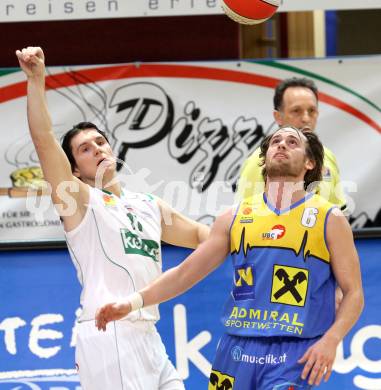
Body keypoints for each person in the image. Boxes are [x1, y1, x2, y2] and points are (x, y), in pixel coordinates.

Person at [95, 126, 364, 389]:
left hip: (294, 351)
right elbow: (185, 273)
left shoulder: (330, 218)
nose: (281, 145)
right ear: (263, 159)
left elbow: (354, 293)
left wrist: (332, 340)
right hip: (237, 350)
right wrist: (132, 303)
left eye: (292, 142)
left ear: (310, 163)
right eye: (275, 142)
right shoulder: (234, 217)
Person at [16, 46, 210, 390]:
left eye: (100, 142)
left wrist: (252, 243)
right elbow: (44, 140)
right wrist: (36, 80)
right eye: (85, 149)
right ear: (75, 168)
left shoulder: (147, 203)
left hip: (147, 333)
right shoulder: (78, 199)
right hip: (109, 334)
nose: (97, 150)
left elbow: (201, 236)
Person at [237, 77, 346, 211]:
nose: (306, 118)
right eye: (296, 111)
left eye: (311, 111)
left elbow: (339, 212)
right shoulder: (261, 160)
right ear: (278, 117)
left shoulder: (327, 156)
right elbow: (244, 216)